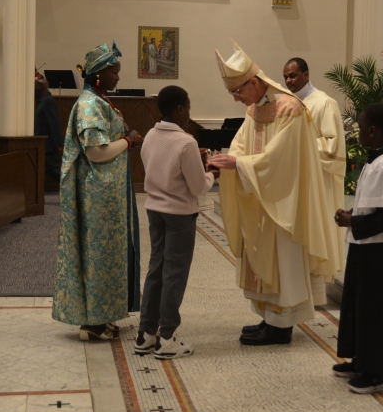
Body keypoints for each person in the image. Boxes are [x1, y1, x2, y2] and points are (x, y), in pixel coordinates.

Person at [207, 42, 338, 346]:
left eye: (238, 91)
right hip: (261, 197)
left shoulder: (289, 107)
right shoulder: (255, 109)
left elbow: (282, 158)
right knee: (262, 261)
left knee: (283, 261)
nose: (238, 99)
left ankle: (282, 327)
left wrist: (239, 164)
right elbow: (241, 144)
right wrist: (228, 161)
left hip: (284, 200)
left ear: (254, 82)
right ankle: (269, 319)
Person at [53, 42, 143, 341]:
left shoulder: (99, 100)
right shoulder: (90, 105)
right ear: (98, 74)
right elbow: (96, 152)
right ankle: (91, 322)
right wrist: (129, 141)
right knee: (97, 255)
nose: (119, 76)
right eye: (114, 71)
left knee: (105, 255)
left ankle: (100, 315)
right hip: (97, 196)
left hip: (105, 195)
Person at [331, 103, 383, 394]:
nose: (357, 132)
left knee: (377, 310)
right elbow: (374, 206)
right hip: (366, 246)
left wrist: (352, 220)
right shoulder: (374, 162)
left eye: (361, 126)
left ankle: (378, 373)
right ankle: (360, 359)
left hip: (382, 252)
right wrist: (353, 216)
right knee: (359, 304)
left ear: (373, 131)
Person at [134, 86, 216, 360]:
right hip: (179, 215)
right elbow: (197, 187)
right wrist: (211, 173)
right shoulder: (186, 143)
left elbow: (161, 166)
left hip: (155, 210)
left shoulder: (151, 136)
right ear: (179, 109)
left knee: (156, 268)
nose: (189, 114)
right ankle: (167, 337)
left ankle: (146, 334)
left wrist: (196, 160)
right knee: (175, 274)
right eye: (188, 108)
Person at [283, 57, 347, 279]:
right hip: (295, 178)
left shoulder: (324, 103)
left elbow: (332, 146)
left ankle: (320, 278)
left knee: (318, 227)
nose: (288, 81)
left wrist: (298, 146)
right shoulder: (286, 103)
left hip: (319, 178)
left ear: (306, 74)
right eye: (285, 77)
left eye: (293, 76)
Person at [34, 77, 64, 184]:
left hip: (48, 145)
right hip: (43, 145)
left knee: (53, 169)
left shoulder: (47, 101)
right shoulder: (43, 101)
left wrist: (58, 145)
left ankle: (74, 188)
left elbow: (54, 123)